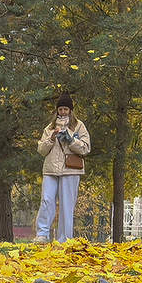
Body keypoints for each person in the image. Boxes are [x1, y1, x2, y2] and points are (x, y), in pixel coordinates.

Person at [34, 93, 91, 243]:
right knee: (46, 200)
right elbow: (41, 149)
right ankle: (42, 234)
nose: (63, 112)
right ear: (57, 110)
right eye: (61, 109)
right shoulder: (49, 127)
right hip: (51, 169)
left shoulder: (79, 126)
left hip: (70, 168)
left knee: (67, 205)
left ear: (71, 110)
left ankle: (64, 239)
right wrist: (51, 139)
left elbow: (85, 148)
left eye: (66, 109)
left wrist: (71, 140)